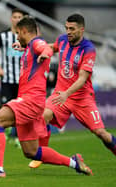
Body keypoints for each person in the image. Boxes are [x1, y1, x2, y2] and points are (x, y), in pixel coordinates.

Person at [0, 17, 92, 178]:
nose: (17, 37)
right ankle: (74, 162)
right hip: (34, 101)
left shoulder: (36, 43)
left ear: (25, 31)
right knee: (31, 151)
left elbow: (44, 48)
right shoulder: (29, 47)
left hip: (30, 100)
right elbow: (36, 50)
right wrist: (25, 48)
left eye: (18, 33)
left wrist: (46, 53)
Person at [28, 14, 116, 169]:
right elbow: (52, 47)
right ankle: (41, 154)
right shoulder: (62, 40)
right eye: (67, 28)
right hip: (60, 93)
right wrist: (29, 47)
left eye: (72, 29)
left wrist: (67, 94)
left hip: (82, 98)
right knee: (43, 116)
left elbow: (82, 78)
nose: (68, 32)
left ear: (82, 30)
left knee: (101, 133)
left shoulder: (88, 49)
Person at [0, 8, 24, 140]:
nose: (17, 19)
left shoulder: (26, 36)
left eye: (19, 17)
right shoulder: (3, 35)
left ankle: (18, 134)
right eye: (15, 17)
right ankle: (5, 131)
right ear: (11, 18)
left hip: (23, 79)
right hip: (7, 78)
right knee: (6, 106)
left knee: (21, 107)